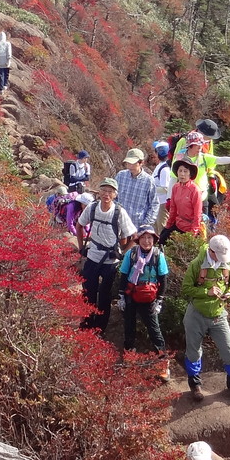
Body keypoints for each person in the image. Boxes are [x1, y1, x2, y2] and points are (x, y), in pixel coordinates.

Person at [179, 234, 230, 401]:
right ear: (211, 251)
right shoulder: (197, 264)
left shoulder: (229, 264)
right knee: (193, 352)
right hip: (196, 314)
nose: (222, 260)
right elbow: (186, 288)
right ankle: (195, 385)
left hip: (218, 314)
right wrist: (206, 292)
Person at [77, 178, 136, 333]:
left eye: (110, 191)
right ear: (99, 191)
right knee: (88, 290)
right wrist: (80, 246)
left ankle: (100, 326)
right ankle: (87, 322)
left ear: (115, 195)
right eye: (104, 190)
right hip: (93, 255)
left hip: (111, 260)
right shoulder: (92, 207)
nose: (106, 194)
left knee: (105, 294)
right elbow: (79, 225)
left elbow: (134, 235)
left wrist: (123, 253)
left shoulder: (119, 212)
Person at [118, 225, 168, 354]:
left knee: (154, 328)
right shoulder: (131, 253)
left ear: (154, 239)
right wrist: (121, 296)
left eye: (149, 237)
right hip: (131, 293)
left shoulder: (158, 255)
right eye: (143, 238)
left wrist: (159, 301)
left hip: (150, 297)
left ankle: (162, 358)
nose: (146, 241)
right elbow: (123, 275)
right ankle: (129, 352)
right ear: (138, 239)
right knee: (129, 324)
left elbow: (163, 280)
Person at [159, 159, 204, 246]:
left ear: (190, 174)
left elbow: (197, 215)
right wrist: (168, 226)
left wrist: (192, 235)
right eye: (180, 171)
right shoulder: (176, 187)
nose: (182, 174)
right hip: (178, 223)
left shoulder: (195, 190)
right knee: (161, 241)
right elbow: (173, 209)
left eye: (185, 171)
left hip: (190, 227)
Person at [115, 148, 158, 229]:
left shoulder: (148, 180)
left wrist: (146, 224)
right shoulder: (120, 176)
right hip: (119, 223)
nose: (130, 166)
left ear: (141, 162)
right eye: (128, 163)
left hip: (137, 226)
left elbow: (154, 204)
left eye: (133, 163)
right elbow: (114, 197)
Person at [151, 140, 173, 226]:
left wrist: (152, 189)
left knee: (161, 227)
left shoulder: (164, 169)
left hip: (162, 204)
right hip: (158, 203)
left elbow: (166, 188)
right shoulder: (161, 166)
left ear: (157, 153)